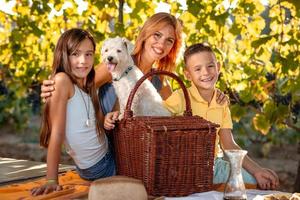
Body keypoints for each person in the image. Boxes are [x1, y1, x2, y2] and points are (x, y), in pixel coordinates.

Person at [40, 12, 228, 115]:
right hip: (105, 142)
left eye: (169, 40)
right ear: (145, 34)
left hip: (135, 148)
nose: (162, 44)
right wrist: (53, 88)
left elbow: (179, 113)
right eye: (157, 35)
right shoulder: (117, 63)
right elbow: (79, 86)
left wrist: (214, 97)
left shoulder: (160, 81)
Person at [162, 43, 280, 190]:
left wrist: (257, 170)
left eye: (210, 66)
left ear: (218, 67)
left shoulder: (221, 102)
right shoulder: (180, 97)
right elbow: (159, 124)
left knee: (254, 182)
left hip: (213, 166)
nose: (205, 72)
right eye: (197, 69)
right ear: (188, 74)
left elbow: (228, 144)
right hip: (183, 166)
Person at [31, 28, 115, 196]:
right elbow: (57, 133)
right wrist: (51, 180)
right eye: (75, 54)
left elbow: (96, 125)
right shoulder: (62, 81)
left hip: (106, 154)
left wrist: (107, 117)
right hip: (100, 166)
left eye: (89, 54)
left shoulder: (88, 86)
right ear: (63, 55)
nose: (83, 61)